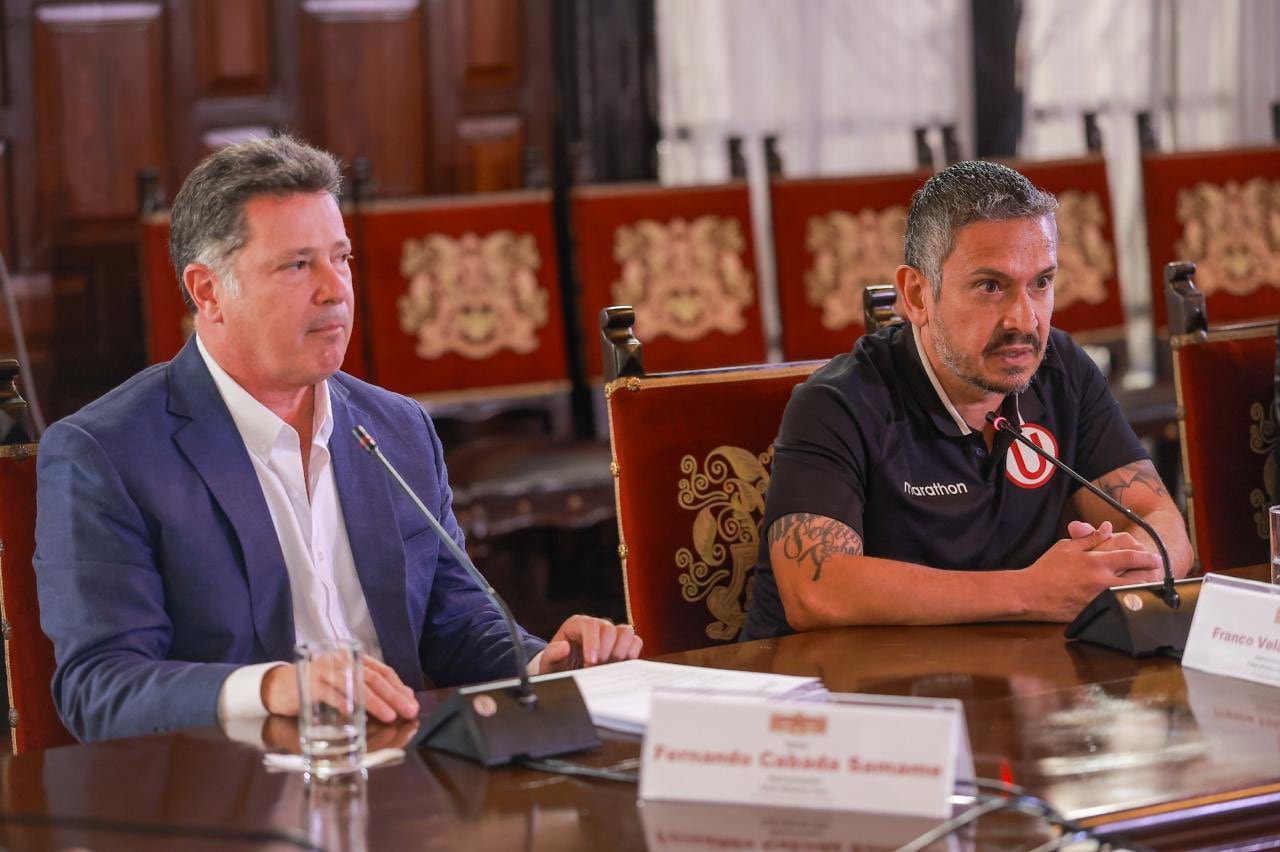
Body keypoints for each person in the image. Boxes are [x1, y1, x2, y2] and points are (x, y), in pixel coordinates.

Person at [34, 135, 641, 743]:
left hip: (405, 782)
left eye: (341, 257)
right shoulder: (106, 455)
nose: (336, 289)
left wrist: (541, 665)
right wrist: (275, 688)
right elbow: (100, 689)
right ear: (208, 291)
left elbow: (453, 623)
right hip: (231, 796)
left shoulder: (396, 427)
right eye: (298, 265)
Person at [740, 160, 1193, 641]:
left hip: (1000, 683)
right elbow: (815, 588)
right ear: (916, 295)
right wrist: (1031, 592)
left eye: (1041, 283)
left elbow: (1162, 523)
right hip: (832, 696)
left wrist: (1126, 569)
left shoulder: (1061, 370)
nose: (1025, 320)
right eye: (990, 286)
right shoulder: (839, 402)